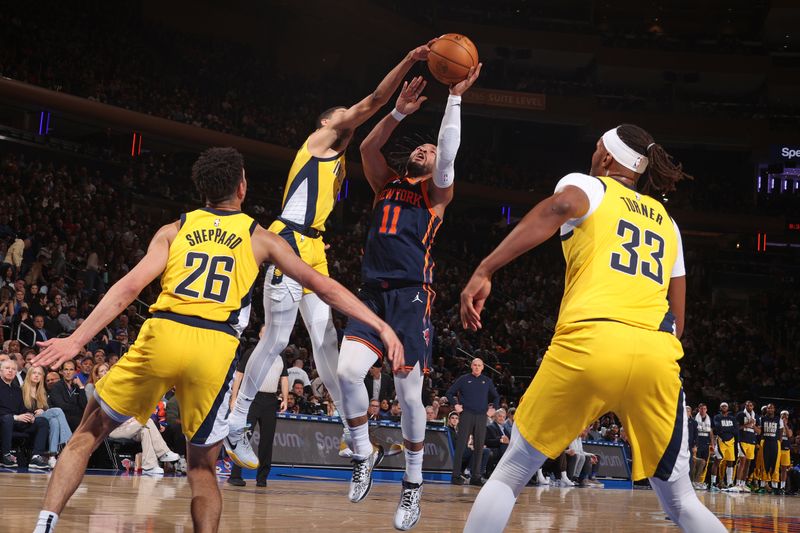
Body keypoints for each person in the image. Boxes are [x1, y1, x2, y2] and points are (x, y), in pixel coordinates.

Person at [30, 147, 403, 533]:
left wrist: (76, 340)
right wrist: (380, 323)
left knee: (87, 434)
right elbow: (322, 286)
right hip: (214, 347)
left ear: (202, 190)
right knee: (201, 468)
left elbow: (128, 288)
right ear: (242, 186)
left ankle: (45, 523)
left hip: (164, 333)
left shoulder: (174, 229)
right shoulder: (261, 237)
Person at [460, 124, 725, 532]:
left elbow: (556, 209)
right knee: (683, 501)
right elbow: (679, 317)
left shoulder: (589, 186)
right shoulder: (668, 224)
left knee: (512, 472)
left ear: (606, 159)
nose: (593, 153)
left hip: (592, 339)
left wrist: (486, 268)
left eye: (597, 147)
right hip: (656, 353)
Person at [227, 40, 435, 469]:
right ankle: (236, 421)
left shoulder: (339, 160)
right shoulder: (319, 141)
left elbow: (368, 136)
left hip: (314, 248)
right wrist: (409, 64)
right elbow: (374, 102)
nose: (348, 118)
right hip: (289, 241)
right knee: (277, 338)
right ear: (326, 122)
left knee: (328, 345)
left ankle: (348, 432)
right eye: (341, 115)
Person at [335, 66, 480, 531]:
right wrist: (398, 110)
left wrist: (454, 100)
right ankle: (363, 453)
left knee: (408, 395)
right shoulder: (386, 184)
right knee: (346, 371)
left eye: (432, 148)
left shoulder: (437, 197)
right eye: (421, 146)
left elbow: (449, 155)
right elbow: (366, 147)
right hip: (372, 293)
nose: (426, 149)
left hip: (412, 297)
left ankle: (412, 486)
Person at [227, 326, 289, 488]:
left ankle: (262, 478)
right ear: (260, 335)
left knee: (267, 440)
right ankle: (235, 475)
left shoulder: (280, 354)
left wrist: (285, 398)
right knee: (243, 436)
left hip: (270, 400)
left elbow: (284, 378)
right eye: (264, 331)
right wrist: (233, 398)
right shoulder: (251, 353)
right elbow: (238, 376)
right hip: (251, 399)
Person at [446, 358, 500, 487]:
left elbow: (496, 396)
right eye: (474, 365)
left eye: (479, 365)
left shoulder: (487, 381)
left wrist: (493, 409)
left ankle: (476, 477)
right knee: (461, 446)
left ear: (482, 367)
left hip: (481, 416)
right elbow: (449, 393)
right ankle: (456, 476)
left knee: (479, 446)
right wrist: (455, 405)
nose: (476, 367)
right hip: (466, 415)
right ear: (471, 366)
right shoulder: (464, 379)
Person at [0, 359, 50, 469]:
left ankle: (36, 456)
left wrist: (30, 415)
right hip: (3, 421)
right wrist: (15, 417)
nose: (10, 371)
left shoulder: (17, 390)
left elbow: (23, 408)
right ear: (1, 371)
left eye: (13, 369)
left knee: (42, 421)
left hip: (18, 422)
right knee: (7, 418)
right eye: (7, 368)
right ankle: (5, 455)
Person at [22, 366, 72, 465]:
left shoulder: (42, 392)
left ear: (42, 377)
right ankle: (69, 442)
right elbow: (20, 409)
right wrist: (36, 412)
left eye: (39, 374)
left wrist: (42, 410)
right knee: (57, 411)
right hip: (29, 419)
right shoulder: (22, 390)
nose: (36, 375)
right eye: (34, 373)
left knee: (54, 421)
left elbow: (45, 408)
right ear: (29, 375)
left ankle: (52, 456)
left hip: (41, 419)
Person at [728, 400, 759, 493]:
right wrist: (747, 424)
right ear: (745, 406)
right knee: (742, 461)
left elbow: (759, 431)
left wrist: (753, 426)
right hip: (742, 440)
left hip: (752, 441)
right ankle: (737, 483)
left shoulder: (756, 416)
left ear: (753, 406)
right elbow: (736, 428)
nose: (749, 406)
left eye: (751, 405)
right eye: (747, 405)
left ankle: (743, 483)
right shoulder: (740, 415)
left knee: (748, 463)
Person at [46, 360, 87, 431]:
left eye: (71, 369)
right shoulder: (56, 387)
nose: (68, 372)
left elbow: (84, 405)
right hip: (64, 419)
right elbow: (61, 406)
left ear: (75, 372)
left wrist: (81, 387)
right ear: (61, 372)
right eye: (66, 369)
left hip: (76, 419)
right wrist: (78, 408)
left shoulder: (77, 387)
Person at [712, 402, 736, 490]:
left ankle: (729, 482)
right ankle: (713, 483)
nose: (724, 407)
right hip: (721, 441)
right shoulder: (717, 417)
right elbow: (718, 428)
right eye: (722, 406)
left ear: (728, 407)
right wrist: (728, 430)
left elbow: (735, 429)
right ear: (720, 408)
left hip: (731, 442)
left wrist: (726, 429)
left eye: (725, 406)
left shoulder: (732, 418)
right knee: (717, 461)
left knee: (730, 462)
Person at [759, 403, 781, 494]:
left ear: (774, 409)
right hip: (765, 442)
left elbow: (781, 430)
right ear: (766, 410)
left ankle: (775, 487)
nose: (770, 409)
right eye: (768, 408)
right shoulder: (762, 419)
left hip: (775, 443)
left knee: (775, 464)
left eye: (772, 408)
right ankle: (763, 485)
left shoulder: (778, 419)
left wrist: (779, 441)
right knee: (765, 464)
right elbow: (760, 432)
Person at [691, 403, 714, 490]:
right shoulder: (694, 419)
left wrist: (712, 443)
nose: (703, 410)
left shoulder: (709, 419)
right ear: (698, 409)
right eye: (701, 408)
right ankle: (693, 481)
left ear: (706, 409)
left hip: (706, 444)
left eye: (704, 408)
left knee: (704, 464)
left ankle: (700, 481)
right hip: (698, 443)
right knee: (695, 463)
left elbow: (710, 432)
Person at [780, 410, 793, 493]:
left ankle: (782, 486)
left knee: (784, 468)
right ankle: (771, 484)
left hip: (786, 449)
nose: (785, 416)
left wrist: (785, 425)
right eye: (783, 415)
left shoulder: (790, 425)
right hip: (777, 447)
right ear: (780, 416)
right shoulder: (777, 423)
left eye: (786, 415)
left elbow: (789, 435)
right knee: (773, 467)